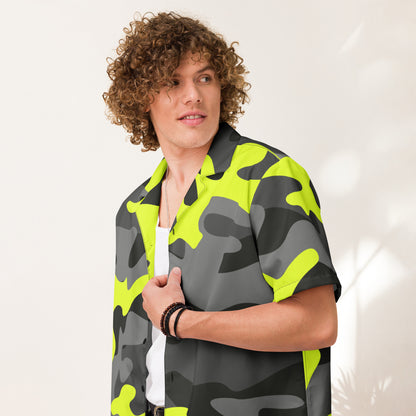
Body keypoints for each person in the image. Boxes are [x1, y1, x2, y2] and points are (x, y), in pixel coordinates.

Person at [103, 11, 341, 416]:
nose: (193, 95)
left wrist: (179, 320)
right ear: (142, 97)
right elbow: (133, 352)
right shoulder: (133, 210)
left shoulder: (267, 178)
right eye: (172, 82)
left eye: (205, 78)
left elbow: (318, 323)